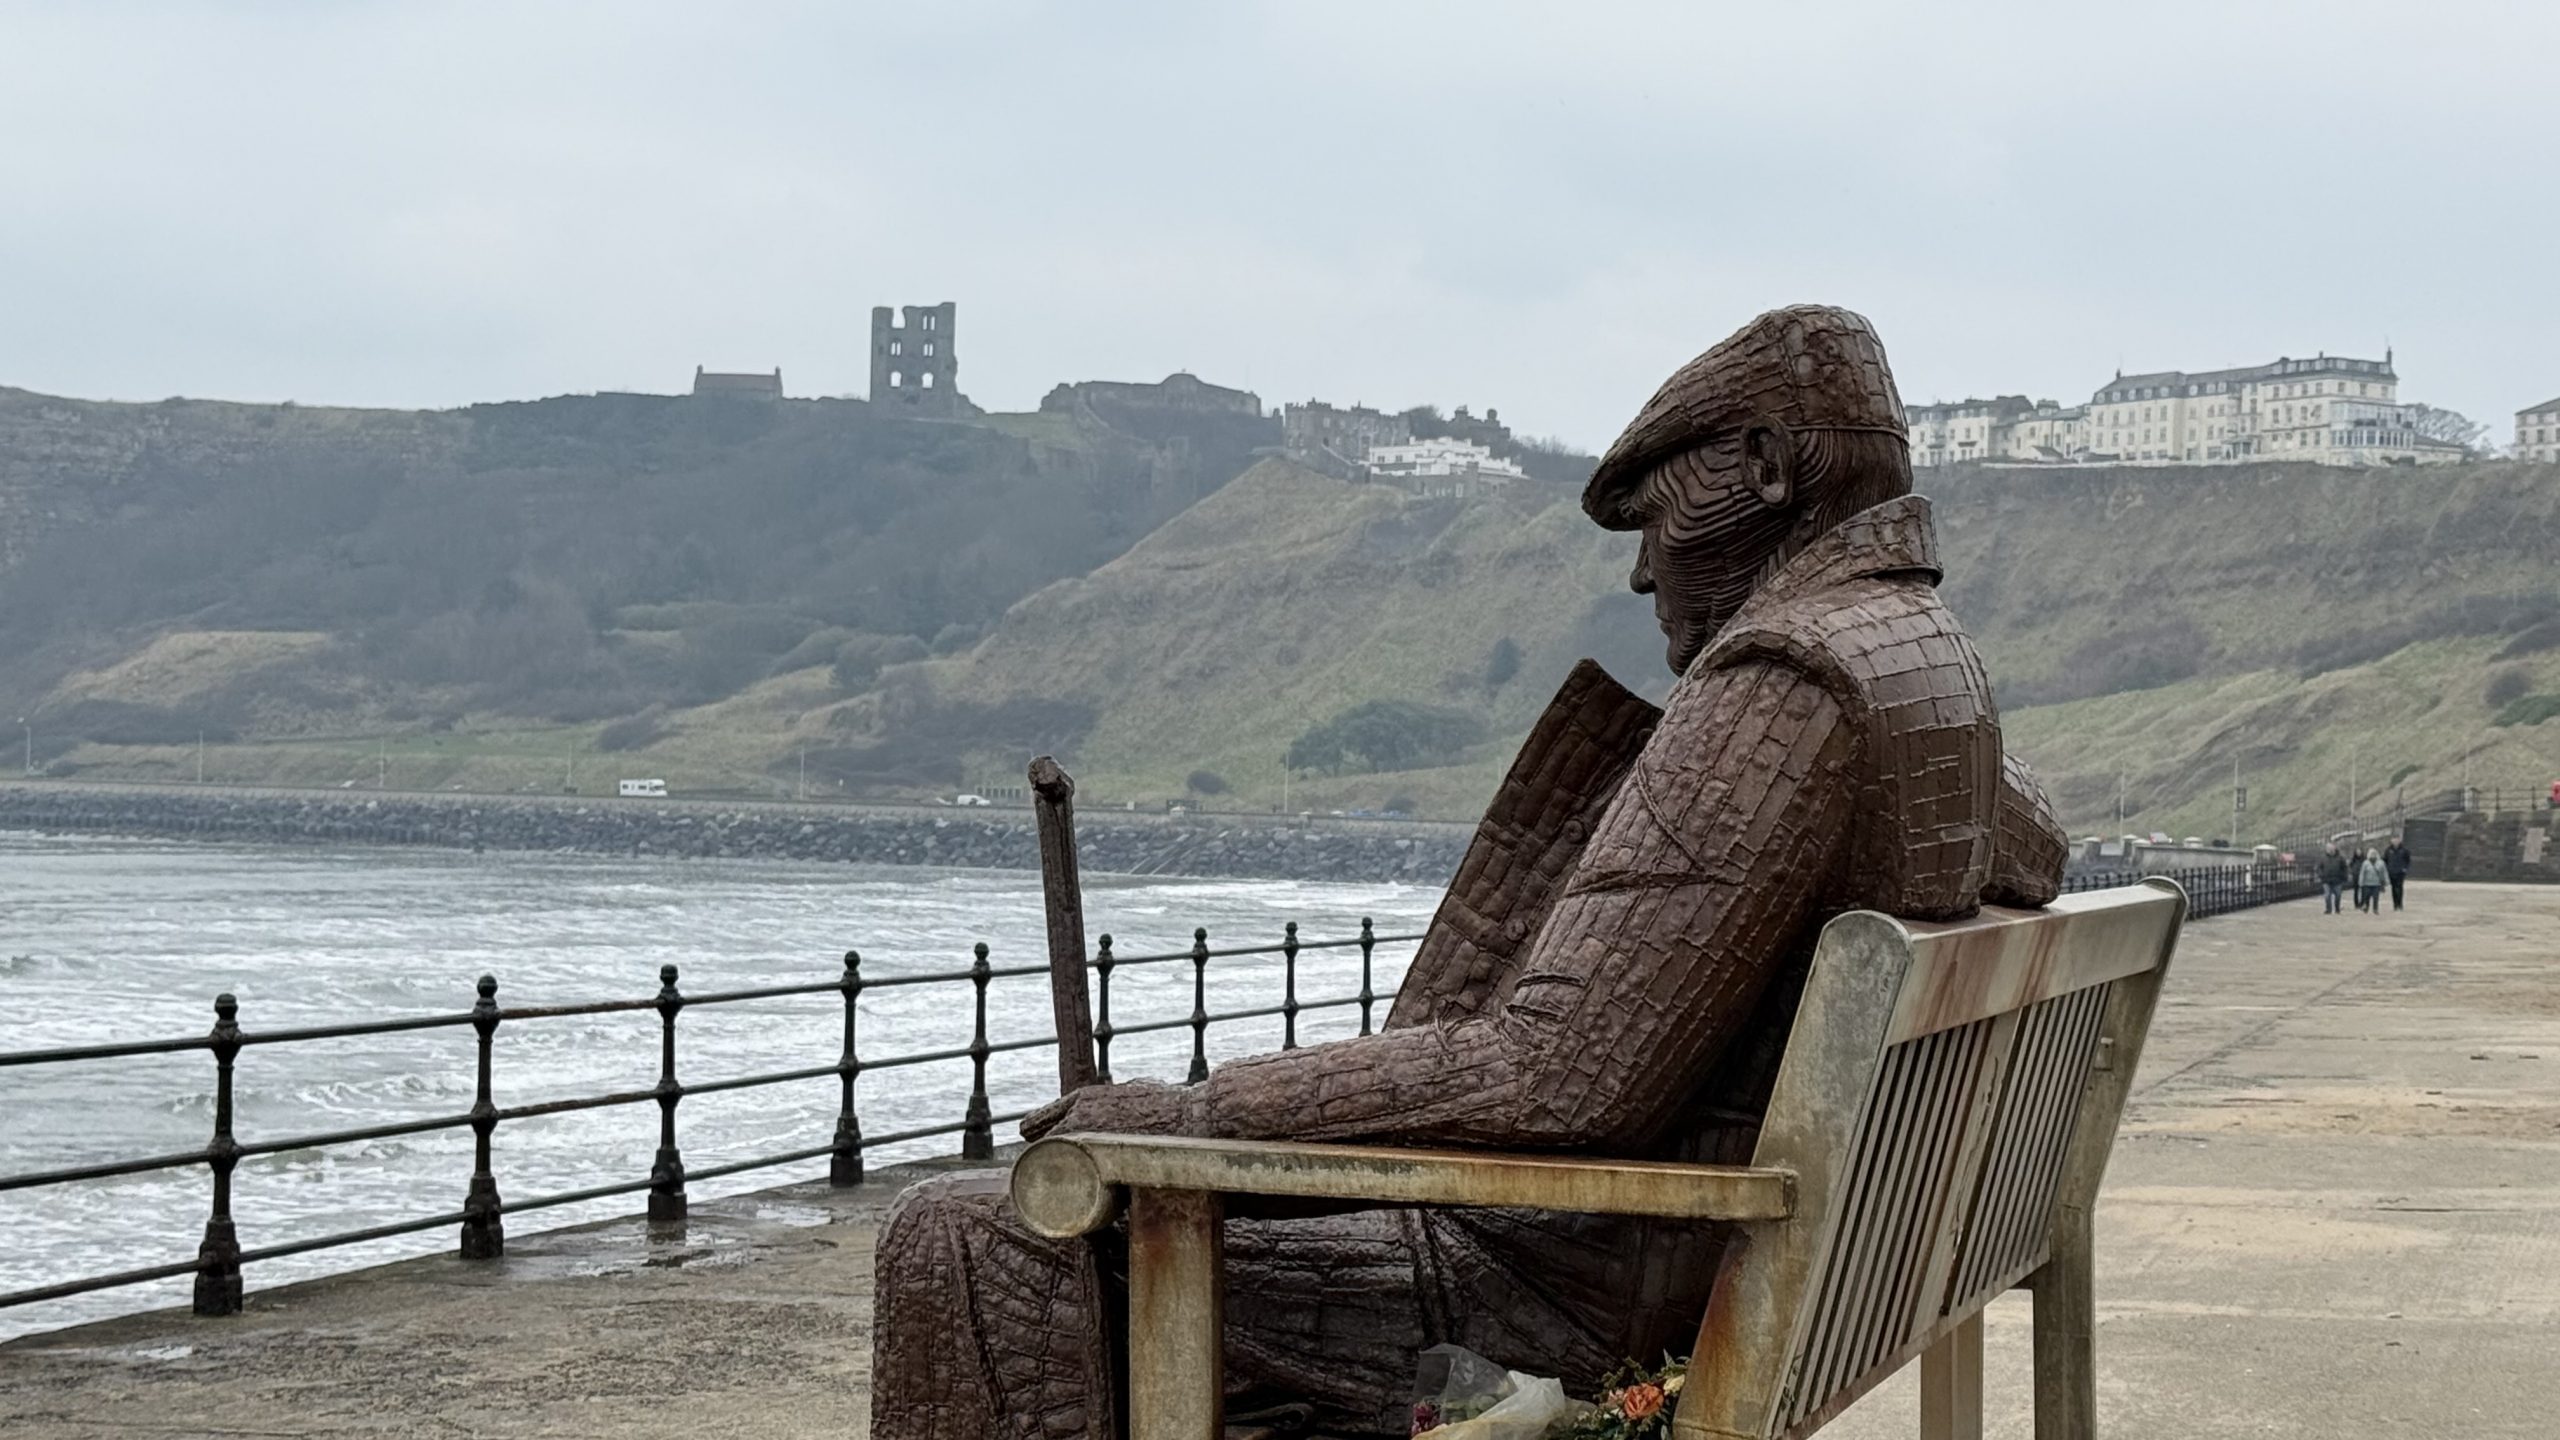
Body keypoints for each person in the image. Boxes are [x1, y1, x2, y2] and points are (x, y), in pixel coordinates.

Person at [866, 306, 2070, 1439]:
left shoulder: (1785, 678)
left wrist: (1188, 1113)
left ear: (1762, 465)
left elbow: (1561, 1079)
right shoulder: (1913, 654)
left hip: (1571, 1293)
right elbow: (2041, 843)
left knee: (966, 1239)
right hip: (1783, 1260)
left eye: (1652, 519)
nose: (1644, 571)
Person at [2384, 835, 2412, 911]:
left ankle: (2400, 904)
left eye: (2397, 840)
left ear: (2400, 840)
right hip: (2392, 872)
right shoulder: (2388, 850)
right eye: (2394, 840)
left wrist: (2405, 869)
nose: (2395, 841)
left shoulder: (2404, 850)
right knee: (2393, 888)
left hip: (2400, 872)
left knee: (2399, 888)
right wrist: (2387, 869)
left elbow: (2408, 860)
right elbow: (2385, 860)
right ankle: (2395, 904)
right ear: (2391, 841)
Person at [2319, 843, 2349, 914]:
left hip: (2337, 880)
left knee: (2338, 895)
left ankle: (2337, 908)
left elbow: (2345, 868)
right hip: (2326, 880)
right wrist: (2321, 875)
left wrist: (2344, 876)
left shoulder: (2340, 858)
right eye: (2329, 849)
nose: (2330, 850)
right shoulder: (2323, 858)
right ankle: (2328, 909)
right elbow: (2319, 868)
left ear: (2334, 849)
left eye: (2331, 849)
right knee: (2327, 895)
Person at [2357, 847, 2387, 915]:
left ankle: (2375, 909)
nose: (2373, 855)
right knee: (2367, 896)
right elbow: (2362, 873)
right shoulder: (2365, 863)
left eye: (2374, 854)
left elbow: (2384, 872)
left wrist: (2385, 881)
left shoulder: (2381, 863)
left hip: (2376, 883)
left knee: (2376, 897)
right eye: (2371, 854)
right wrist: (2361, 882)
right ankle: (2366, 907)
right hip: (2367, 883)